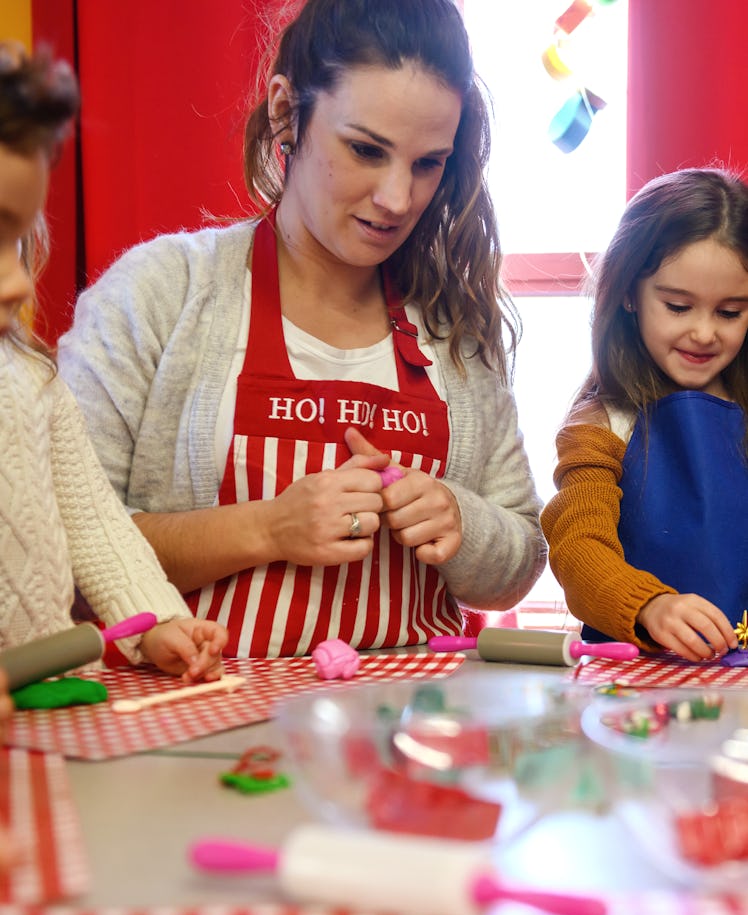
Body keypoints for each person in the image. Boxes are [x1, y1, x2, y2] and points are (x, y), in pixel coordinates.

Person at [58, 0, 546, 659]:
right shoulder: (159, 294)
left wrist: (465, 520)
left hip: (409, 730)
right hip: (200, 729)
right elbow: (65, 552)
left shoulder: (454, 332)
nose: (398, 198)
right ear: (287, 111)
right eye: (366, 150)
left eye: (428, 163)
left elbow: (519, 563)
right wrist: (267, 528)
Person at [0, 41, 228, 683]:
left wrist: (158, 624)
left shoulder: (31, 381)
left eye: (17, 241)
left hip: (53, 697)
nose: (18, 282)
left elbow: (96, 523)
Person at [541, 167, 748, 663]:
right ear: (630, 294)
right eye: (678, 306)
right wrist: (649, 605)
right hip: (631, 682)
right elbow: (578, 544)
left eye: (730, 312)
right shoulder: (601, 423)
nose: (704, 333)